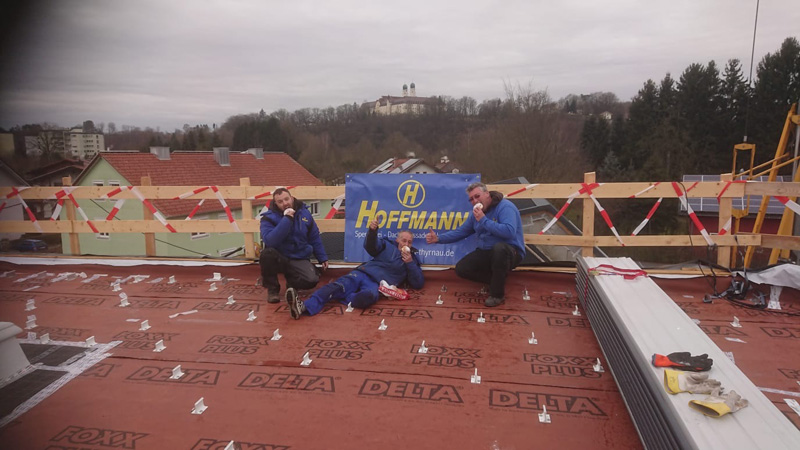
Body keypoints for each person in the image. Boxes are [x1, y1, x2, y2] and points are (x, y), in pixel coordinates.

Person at [286, 219, 424, 319]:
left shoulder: (413, 260)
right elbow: (370, 246)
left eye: (409, 242)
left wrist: (410, 263)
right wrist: (372, 231)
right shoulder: (387, 246)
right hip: (363, 273)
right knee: (339, 285)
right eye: (403, 240)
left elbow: (418, 283)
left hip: (376, 285)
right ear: (397, 240)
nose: (406, 244)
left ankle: (345, 296)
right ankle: (304, 306)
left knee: (369, 297)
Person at [426, 181, 524, 307]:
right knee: (462, 268)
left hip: (511, 251)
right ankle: (497, 279)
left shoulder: (505, 207)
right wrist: (438, 239)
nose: (475, 201)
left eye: (477, 196)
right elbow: (461, 231)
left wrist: (484, 220)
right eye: (471, 199)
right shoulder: (476, 214)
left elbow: (509, 232)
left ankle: (497, 295)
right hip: (487, 251)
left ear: (487, 194)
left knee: (499, 249)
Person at [259, 188, 328, 303]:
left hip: (298, 256)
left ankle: (292, 282)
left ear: (291, 198)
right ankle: (273, 289)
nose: (285, 203)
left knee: (312, 280)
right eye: (280, 201)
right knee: (266, 254)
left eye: (286, 199)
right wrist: (287, 219)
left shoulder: (304, 213)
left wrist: (322, 257)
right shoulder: (268, 218)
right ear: (275, 204)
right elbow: (270, 241)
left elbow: (314, 236)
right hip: (280, 257)